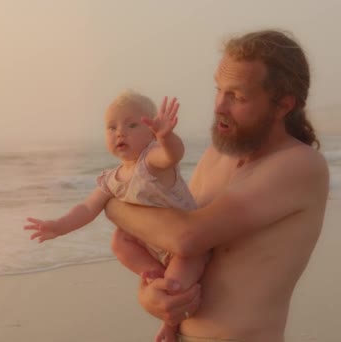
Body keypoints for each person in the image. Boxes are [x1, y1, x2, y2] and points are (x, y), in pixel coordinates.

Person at [105, 29, 329, 341]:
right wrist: (152, 297)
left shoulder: (299, 165)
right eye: (218, 90)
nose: (219, 106)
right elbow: (172, 248)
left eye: (236, 96)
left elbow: (186, 236)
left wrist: (110, 202)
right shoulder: (216, 156)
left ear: (283, 106)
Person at [24, 90, 208, 341]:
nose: (120, 132)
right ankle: (154, 274)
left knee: (175, 286)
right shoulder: (112, 178)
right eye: (112, 127)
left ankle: (170, 322)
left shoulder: (151, 160)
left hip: (185, 245)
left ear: (152, 133)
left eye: (132, 125)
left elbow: (172, 155)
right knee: (119, 241)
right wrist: (59, 226)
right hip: (154, 246)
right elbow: (87, 208)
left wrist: (167, 136)